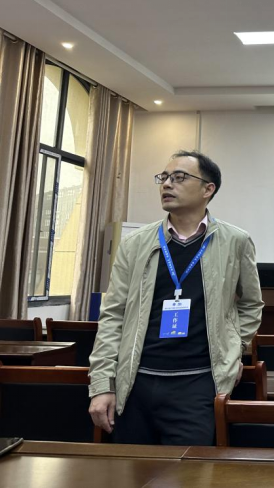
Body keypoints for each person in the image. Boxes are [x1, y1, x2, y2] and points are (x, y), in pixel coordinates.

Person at [88, 150, 263, 445]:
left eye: (179, 177)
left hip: (198, 382)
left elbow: (251, 304)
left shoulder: (236, 241)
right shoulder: (135, 244)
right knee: (129, 468)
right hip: (135, 383)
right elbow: (113, 315)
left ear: (208, 189)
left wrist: (235, 349)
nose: (167, 184)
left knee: (190, 468)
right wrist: (103, 384)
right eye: (164, 177)